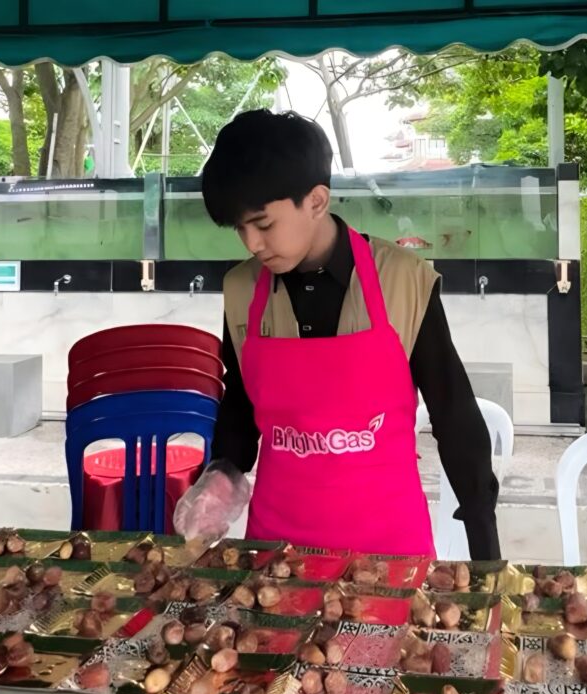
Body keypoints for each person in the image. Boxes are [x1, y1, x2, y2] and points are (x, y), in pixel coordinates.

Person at [177, 109, 500, 560]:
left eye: (263, 224)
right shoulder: (241, 289)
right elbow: (241, 405)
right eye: (239, 228)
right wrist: (221, 474)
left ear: (316, 200)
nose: (251, 243)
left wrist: (484, 540)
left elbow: (454, 413)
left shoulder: (403, 281)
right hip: (276, 549)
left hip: (389, 549)